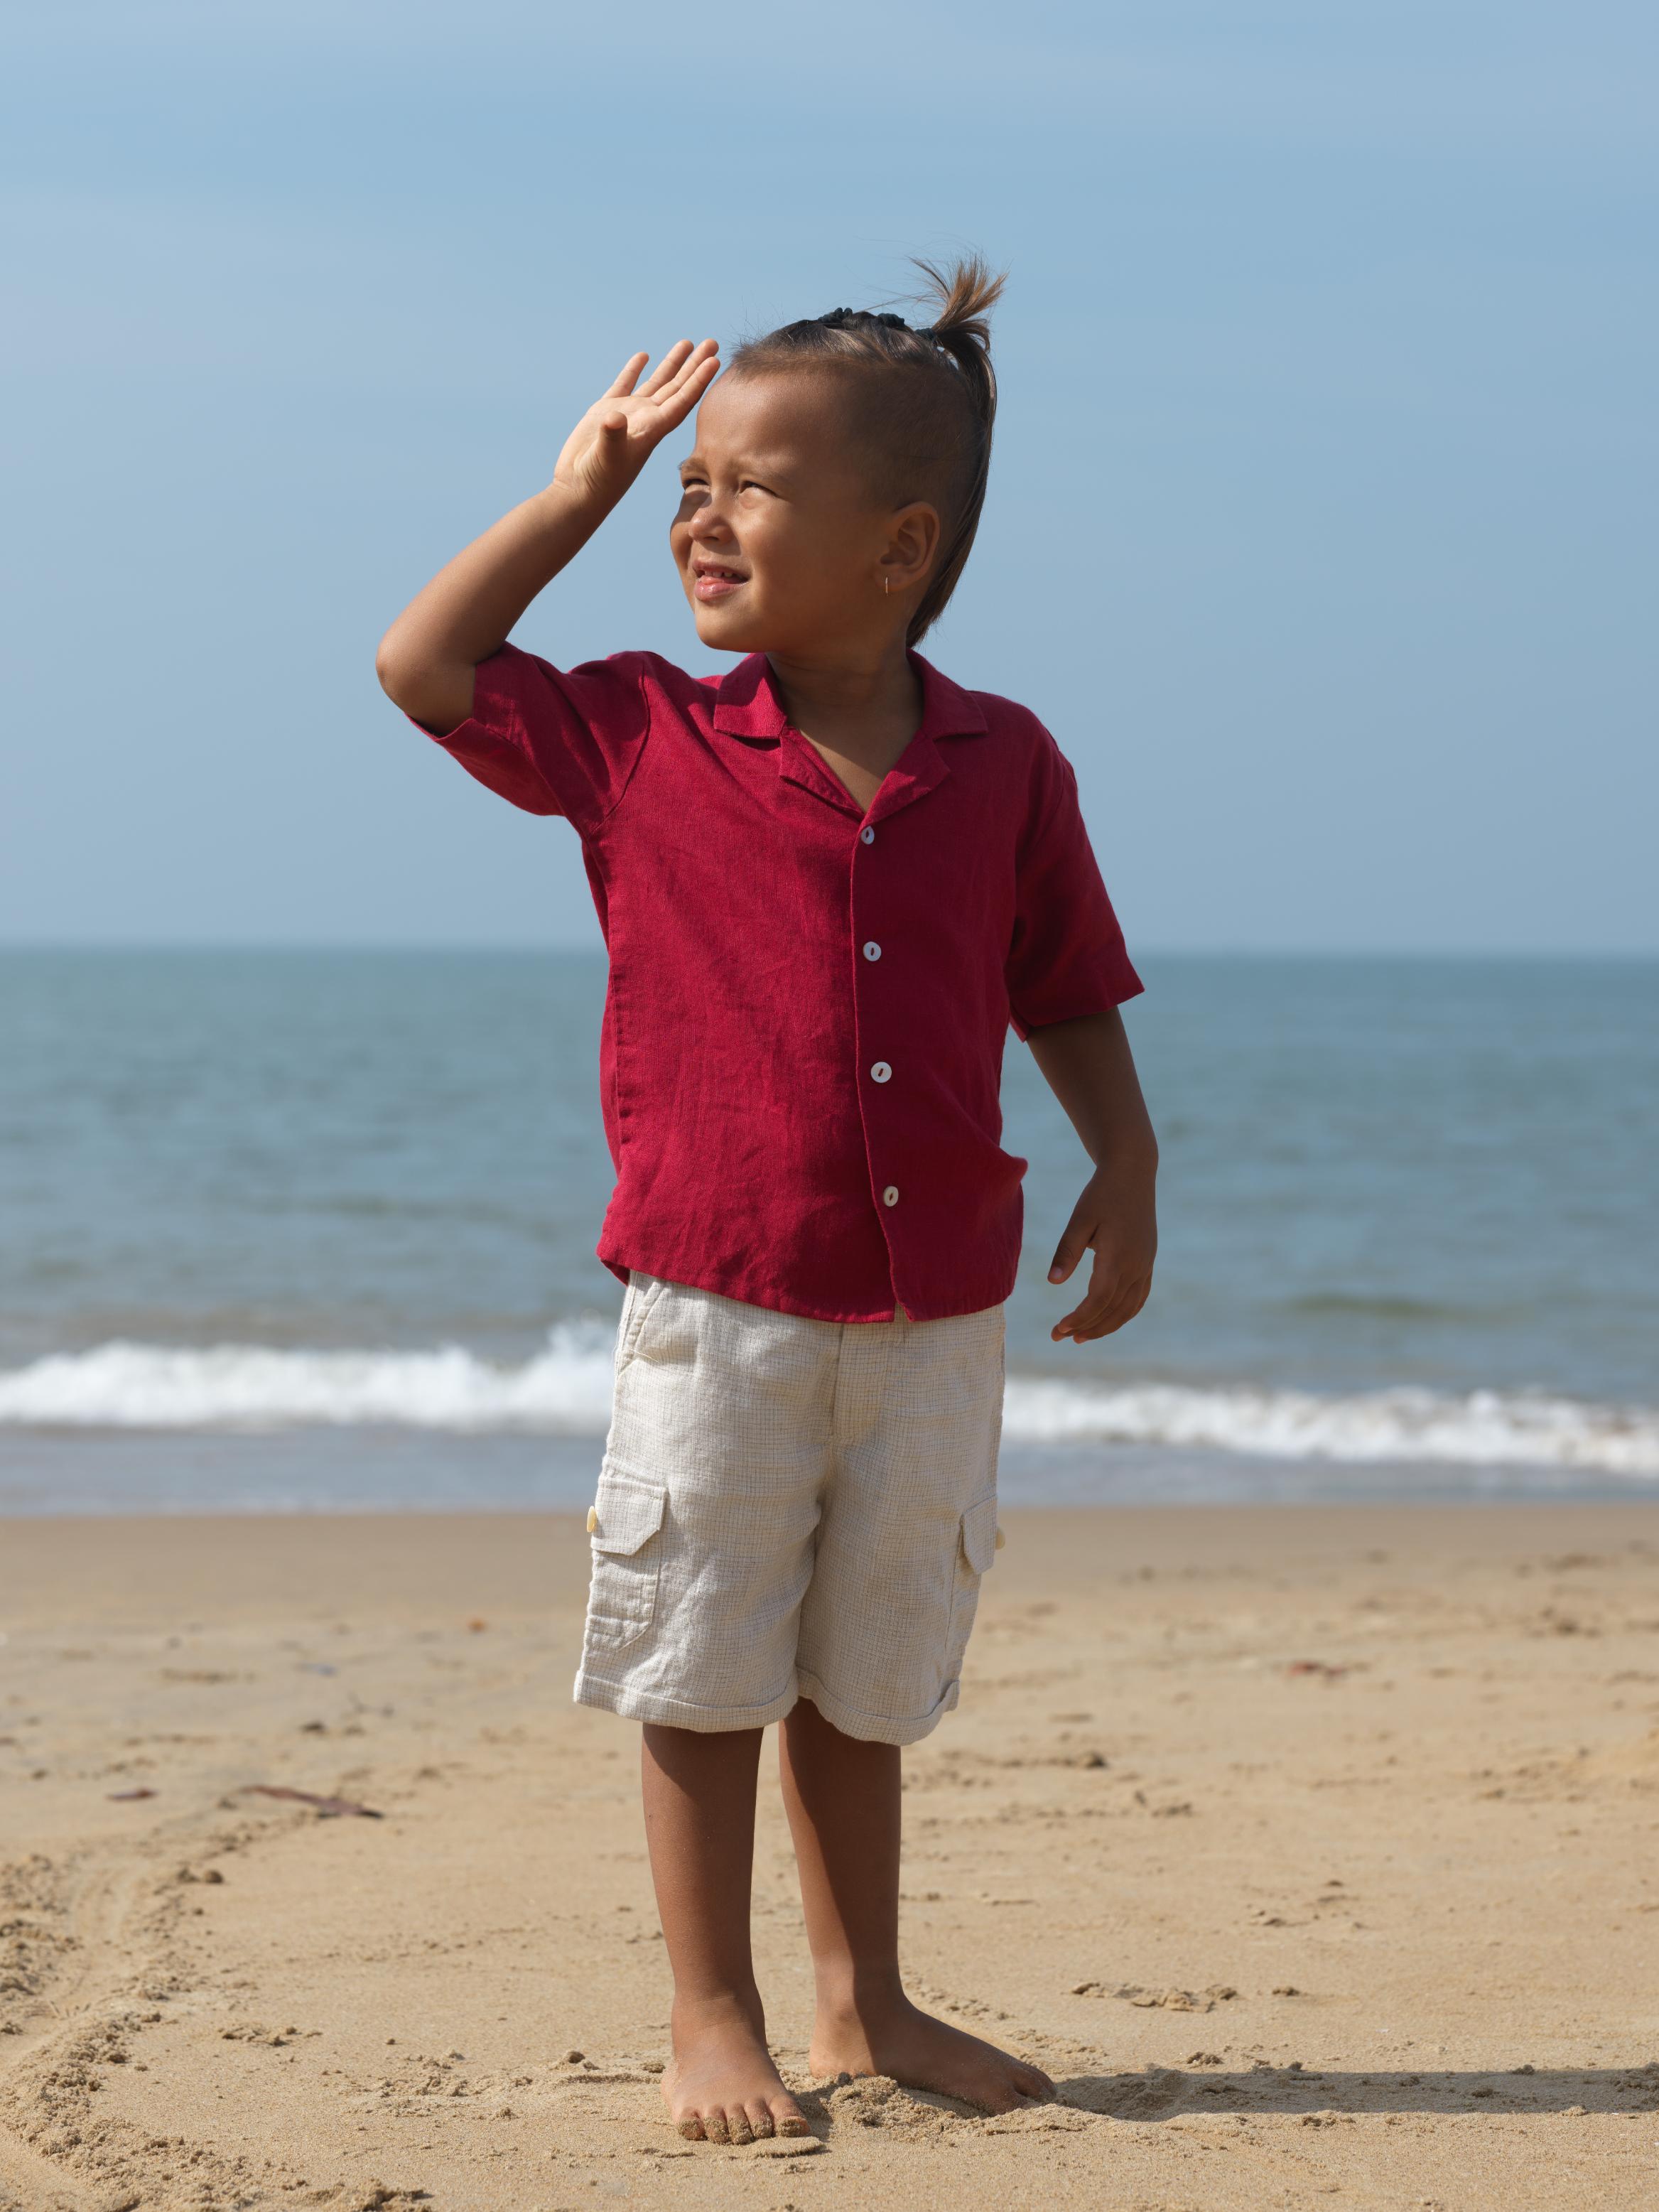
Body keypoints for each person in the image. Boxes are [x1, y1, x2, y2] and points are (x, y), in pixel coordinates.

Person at [375, 257, 1159, 2145]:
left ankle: (864, 1994)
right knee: (706, 1659)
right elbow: (424, 669)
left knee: (868, 1673)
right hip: (719, 1296)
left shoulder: (1005, 760)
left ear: (901, 546)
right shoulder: (637, 730)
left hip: (938, 1302)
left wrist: (1127, 1158)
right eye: (684, 484)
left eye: (747, 481)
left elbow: (1059, 974)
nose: (695, 511)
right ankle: (712, 2007)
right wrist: (567, 499)